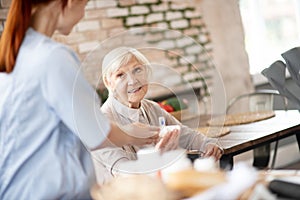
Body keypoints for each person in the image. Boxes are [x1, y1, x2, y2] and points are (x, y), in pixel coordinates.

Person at [0, 1, 159, 199]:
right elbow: (97, 133)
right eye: (84, 3)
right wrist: (135, 133)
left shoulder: (18, 55)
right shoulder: (53, 58)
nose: (83, 13)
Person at [92, 47, 223, 183]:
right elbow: (125, 174)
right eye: (120, 75)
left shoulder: (151, 108)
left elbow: (187, 136)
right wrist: (157, 157)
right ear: (108, 82)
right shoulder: (102, 122)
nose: (132, 81)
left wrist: (208, 145)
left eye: (137, 70)